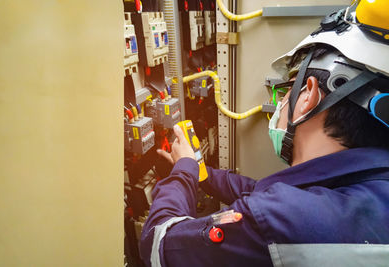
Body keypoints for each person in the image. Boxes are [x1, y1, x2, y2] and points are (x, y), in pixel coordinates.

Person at [140, 1, 389, 266]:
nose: (280, 104)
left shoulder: (281, 219)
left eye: (284, 93)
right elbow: (263, 191)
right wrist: (199, 173)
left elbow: (159, 244)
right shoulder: (367, 187)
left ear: (309, 95)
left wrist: (182, 173)